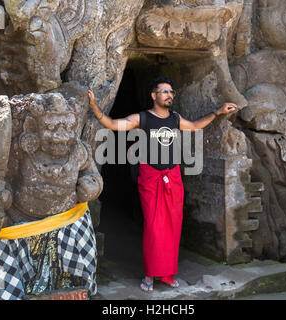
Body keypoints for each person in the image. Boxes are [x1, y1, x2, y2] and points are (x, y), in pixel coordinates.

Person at [88, 76, 237, 292]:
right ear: (154, 95)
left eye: (171, 92)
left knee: (173, 227)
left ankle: (167, 274)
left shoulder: (175, 119)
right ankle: (150, 274)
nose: (170, 95)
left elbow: (195, 126)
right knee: (153, 228)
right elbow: (112, 124)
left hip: (172, 178)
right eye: (165, 91)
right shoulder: (143, 118)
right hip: (151, 179)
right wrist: (94, 107)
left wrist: (218, 112)